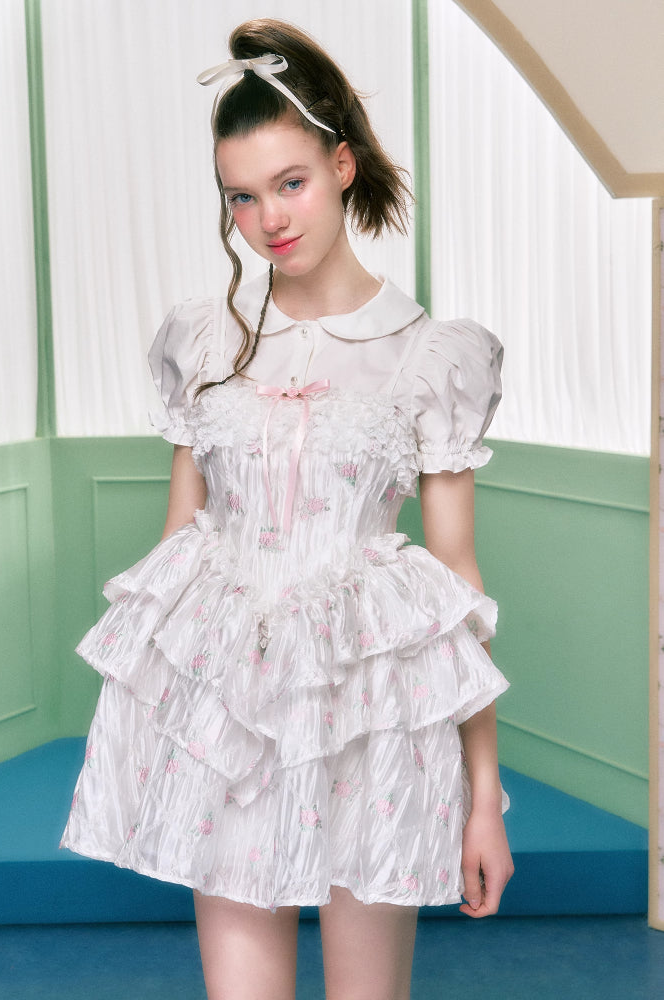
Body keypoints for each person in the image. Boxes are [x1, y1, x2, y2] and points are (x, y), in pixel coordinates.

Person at [61, 18, 514, 1000]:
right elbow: (177, 552)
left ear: (342, 166)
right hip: (230, 719)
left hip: (373, 721)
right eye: (242, 195)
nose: (268, 218)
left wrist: (485, 797)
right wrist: (153, 748)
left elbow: (457, 591)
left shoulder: (430, 355)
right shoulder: (203, 340)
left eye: (291, 182)